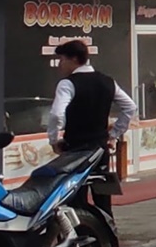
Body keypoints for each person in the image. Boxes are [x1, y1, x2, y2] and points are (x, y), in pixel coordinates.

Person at [47, 39, 137, 226]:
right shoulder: (107, 82)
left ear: (74, 59)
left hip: (76, 150)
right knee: (102, 198)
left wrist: (54, 140)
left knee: (75, 196)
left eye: (61, 60)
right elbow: (130, 107)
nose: (60, 65)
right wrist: (113, 135)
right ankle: (109, 237)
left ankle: (81, 238)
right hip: (100, 150)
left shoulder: (68, 84)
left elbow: (56, 114)